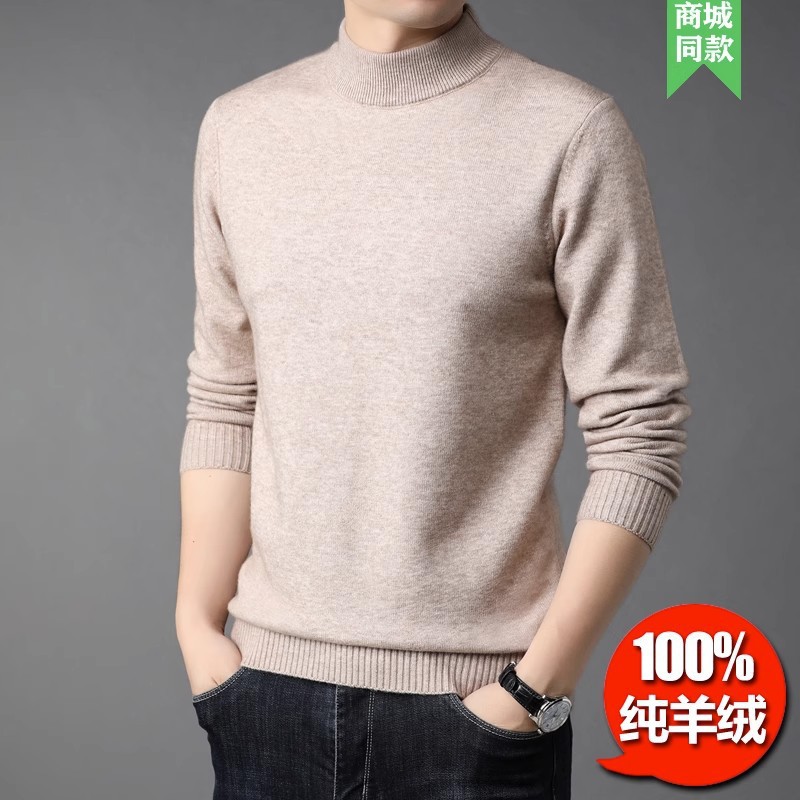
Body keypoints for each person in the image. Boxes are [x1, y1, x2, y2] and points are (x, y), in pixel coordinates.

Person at [175, 2, 691, 797]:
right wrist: (196, 627)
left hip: (480, 713)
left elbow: (640, 428)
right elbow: (224, 395)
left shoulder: (570, 130)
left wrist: (534, 687)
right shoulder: (240, 129)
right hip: (266, 700)